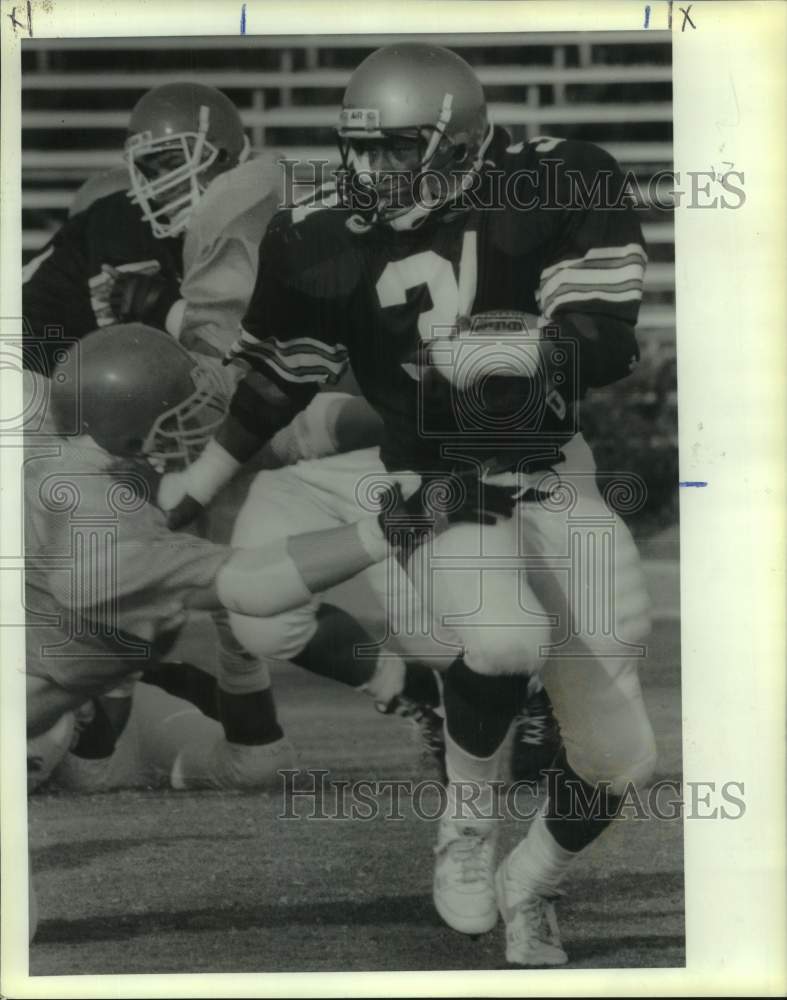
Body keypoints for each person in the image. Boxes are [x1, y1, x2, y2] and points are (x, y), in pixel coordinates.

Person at [159, 42, 656, 966]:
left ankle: (529, 887)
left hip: (547, 468)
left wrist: (505, 361)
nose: (370, 170)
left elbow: (603, 337)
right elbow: (277, 382)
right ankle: (466, 826)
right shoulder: (321, 235)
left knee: (620, 761)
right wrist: (194, 486)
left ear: (459, 141)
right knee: (504, 641)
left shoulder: (555, 179)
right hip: (431, 482)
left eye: (395, 149)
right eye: (360, 148)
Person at [25, 325, 488, 770]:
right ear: (134, 442)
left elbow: (294, 433)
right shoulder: (104, 535)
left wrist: (427, 418)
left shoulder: (63, 426)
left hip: (61, 656)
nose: (206, 423)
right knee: (73, 757)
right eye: (184, 418)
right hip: (39, 695)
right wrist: (389, 529)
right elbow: (252, 584)